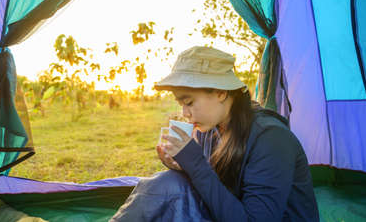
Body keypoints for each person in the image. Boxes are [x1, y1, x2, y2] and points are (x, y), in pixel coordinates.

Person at [111, 46, 319, 221]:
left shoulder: (271, 139)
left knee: (168, 187)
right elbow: (217, 189)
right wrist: (183, 166)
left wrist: (196, 164)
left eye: (189, 102)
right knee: (167, 182)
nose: (185, 113)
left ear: (221, 92)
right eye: (181, 104)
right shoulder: (211, 129)